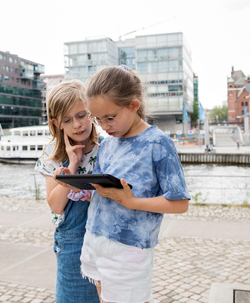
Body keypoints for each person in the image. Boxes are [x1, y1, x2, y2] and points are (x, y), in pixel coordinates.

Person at [81, 66, 190, 303]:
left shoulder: (157, 143)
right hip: (95, 239)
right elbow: (103, 190)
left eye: (110, 118)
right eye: (97, 119)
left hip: (129, 249)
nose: (104, 126)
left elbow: (180, 202)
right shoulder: (107, 143)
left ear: (134, 105)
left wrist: (131, 201)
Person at [35, 80, 101, 303]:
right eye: (68, 119)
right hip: (74, 243)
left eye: (82, 115)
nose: (77, 125)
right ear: (57, 123)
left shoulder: (106, 148)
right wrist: (72, 167)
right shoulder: (52, 154)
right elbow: (55, 205)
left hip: (108, 236)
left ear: (91, 112)